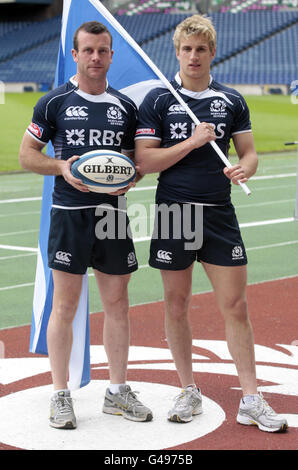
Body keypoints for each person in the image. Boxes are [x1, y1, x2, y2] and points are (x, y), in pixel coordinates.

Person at [135, 14, 288, 432]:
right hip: (175, 211)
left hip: (219, 212)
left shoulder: (231, 99)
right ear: (178, 52)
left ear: (212, 52)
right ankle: (188, 389)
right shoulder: (159, 99)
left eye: (201, 49)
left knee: (236, 306)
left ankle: (251, 398)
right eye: (187, 49)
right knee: (176, 304)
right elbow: (144, 161)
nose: (193, 56)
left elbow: (251, 153)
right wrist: (192, 141)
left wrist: (245, 169)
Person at [19, 21, 153, 429]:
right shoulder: (54, 102)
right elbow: (27, 154)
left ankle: (117, 391)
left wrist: (131, 175)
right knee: (65, 306)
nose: (96, 57)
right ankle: (60, 395)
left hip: (112, 215)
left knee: (118, 305)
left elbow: (136, 161)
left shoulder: (127, 107)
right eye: (88, 50)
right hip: (69, 216)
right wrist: (61, 165)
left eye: (103, 50)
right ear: (75, 55)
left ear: (111, 55)